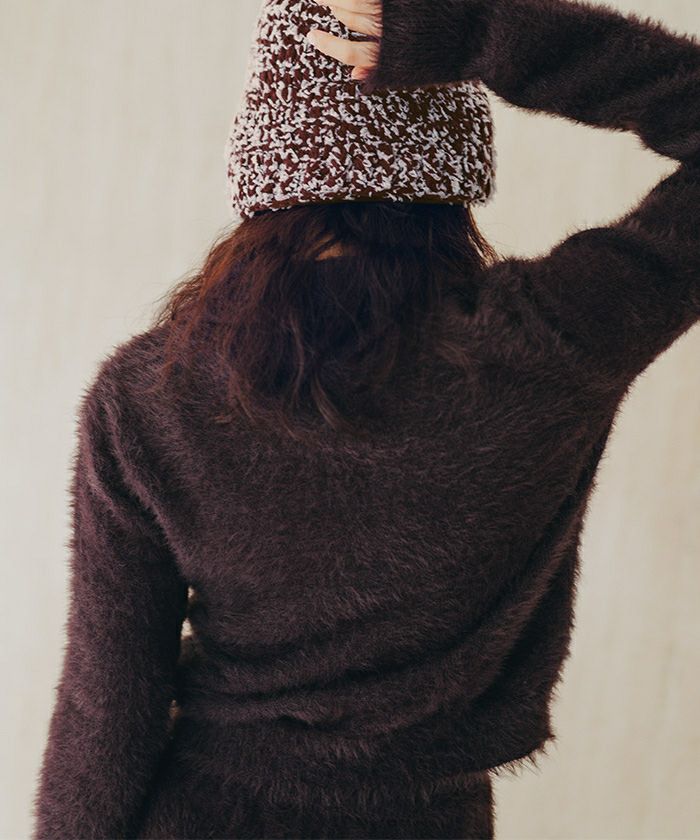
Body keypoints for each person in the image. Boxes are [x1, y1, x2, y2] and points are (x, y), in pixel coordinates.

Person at [32, 0, 699, 838]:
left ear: (264, 153)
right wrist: (470, 33)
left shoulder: (150, 394)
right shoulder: (547, 343)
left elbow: (106, 712)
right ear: (451, 160)